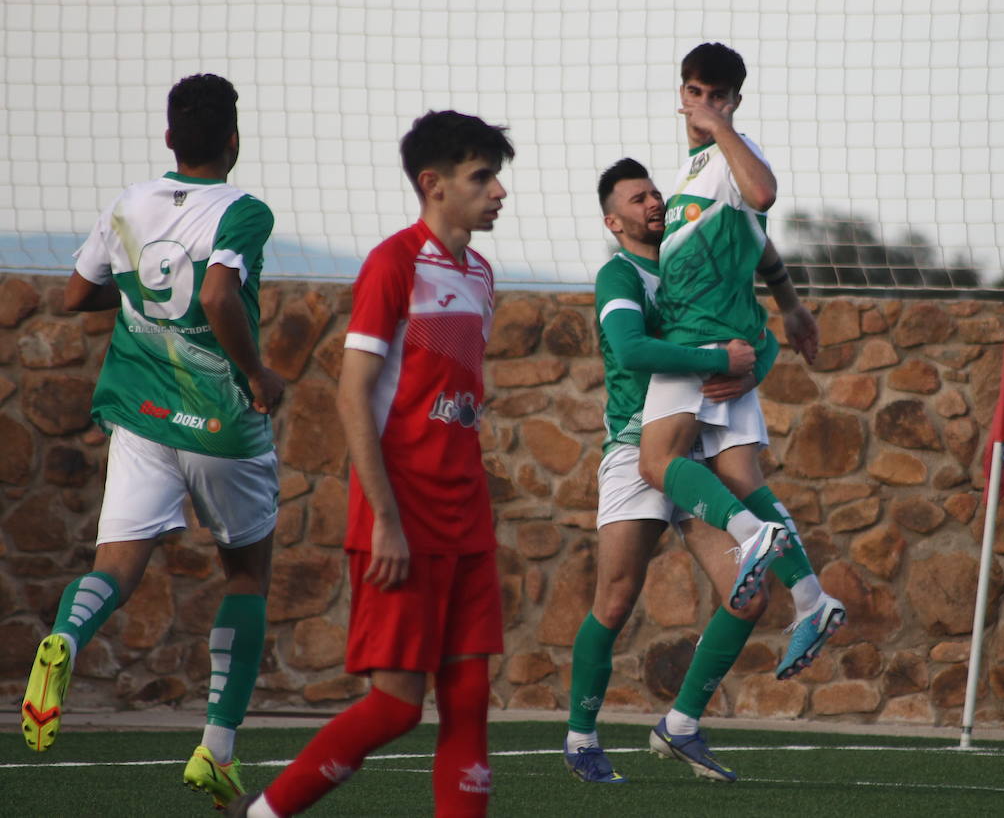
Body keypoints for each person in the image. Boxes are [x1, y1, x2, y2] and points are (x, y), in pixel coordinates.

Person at [228, 111, 514, 818]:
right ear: (433, 185)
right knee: (394, 707)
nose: (499, 190)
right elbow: (352, 393)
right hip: (403, 517)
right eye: (482, 176)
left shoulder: (479, 272)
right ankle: (264, 814)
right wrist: (384, 519)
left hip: (466, 515)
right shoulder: (393, 264)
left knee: (471, 702)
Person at [20, 73, 286, 809]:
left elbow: (77, 296)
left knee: (117, 566)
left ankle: (69, 637)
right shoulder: (244, 212)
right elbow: (215, 295)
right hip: (220, 423)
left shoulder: (129, 204)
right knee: (245, 576)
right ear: (233, 141)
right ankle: (217, 750)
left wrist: (137, 292)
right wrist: (258, 371)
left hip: (140, 415)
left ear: (170, 138)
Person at [564, 158, 817, 784]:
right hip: (636, 448)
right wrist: (711, 355)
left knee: (749, 595)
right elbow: (628, 348)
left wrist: (750, 366)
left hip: (697, 452)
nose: (653, 202)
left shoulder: (689, 261)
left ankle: (679, 727)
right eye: (637, 198)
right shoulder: (619, 274)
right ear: (612, 220)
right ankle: (580, 736)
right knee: (617, 598)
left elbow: (753, 338)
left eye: (655, 191)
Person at [638, 43, 847, 687]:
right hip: (729, 330)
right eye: (694, 93)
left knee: (656, 462)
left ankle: (751, 537)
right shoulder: (698, 167)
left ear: (733, 100)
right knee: (736, 472)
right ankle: (813, 600)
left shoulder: (731, 151)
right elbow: (755, 239)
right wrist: (792, 305)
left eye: (717, 96)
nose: (702, 105)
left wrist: (723, 127)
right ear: (681, 91)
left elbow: (765, 193)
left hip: (702, 339)